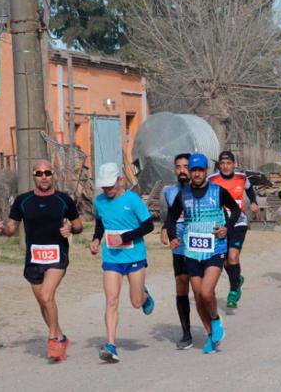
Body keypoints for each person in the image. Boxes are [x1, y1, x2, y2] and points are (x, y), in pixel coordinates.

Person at [0, 160, 83, 362]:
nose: (43, 176)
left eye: (47, 173)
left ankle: (53, 341)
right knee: (43, 302)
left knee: (48, 296)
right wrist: (1, 229)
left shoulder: (63, 200)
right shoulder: (23, 201)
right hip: (34, 258)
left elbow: (79, 226)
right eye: (39, 173)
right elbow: (11, 230)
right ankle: (60, 336)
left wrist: (70, 229)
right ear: (33, 176)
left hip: (57, 256)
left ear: (52, 175)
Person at [164, 154, 241, 354]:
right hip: (191, 251)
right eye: (193, 170)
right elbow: (170, 219)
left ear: (206, 171)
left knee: (207, 292)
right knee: (198, 297)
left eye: (200, 170)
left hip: (215, 249)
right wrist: (173, 237)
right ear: (189, 172)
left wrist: (226, 227)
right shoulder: (184, 195)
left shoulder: (218, 191)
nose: (196, 174)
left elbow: (235, 210)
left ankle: (215, 320)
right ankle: (210, 335)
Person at [90, 162, 156, 363]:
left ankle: (144, 295)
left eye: (111, 185)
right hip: (112, 258)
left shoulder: (132, 199)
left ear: (120, 180)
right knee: (111, 300)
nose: (107, 190)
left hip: (134, 256)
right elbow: (100, 223)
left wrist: (126, 237)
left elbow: (149, 225)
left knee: (136, 303)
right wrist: (96, 239)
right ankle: (110, 345)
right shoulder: (99, 201)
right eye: (104, 186)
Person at [209, 151, 259, 308]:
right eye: (222, 163)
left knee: (233, 256)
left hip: (238, 222)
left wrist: (253, 202)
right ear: (219, 165)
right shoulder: (212, 180)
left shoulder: (242, 178)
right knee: (225, 262)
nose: (225, 166)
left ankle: (233, 292)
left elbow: (250, 190)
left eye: (228, 163)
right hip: (221, 224)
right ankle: (237, 279)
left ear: (234, 164)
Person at [159, 153, 194, 349]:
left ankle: (211, 321)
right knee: (181, 286)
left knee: (200, 291)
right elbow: (170, 216)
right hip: (179, 244)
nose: (182, 170)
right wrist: (165, 229)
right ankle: (186, 333)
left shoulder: (200, 190)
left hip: (198, 244)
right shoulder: (169, 192)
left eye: (186, 166)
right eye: (178, 167)